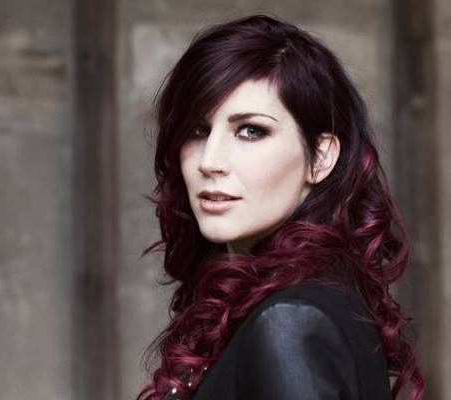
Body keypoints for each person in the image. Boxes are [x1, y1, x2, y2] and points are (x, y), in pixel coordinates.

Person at [137, 15, 425, 400]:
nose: (210, 161)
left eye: (250, 130)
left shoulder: (290, 323)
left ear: (320, 158)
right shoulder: (298, 303)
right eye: (198, 131)